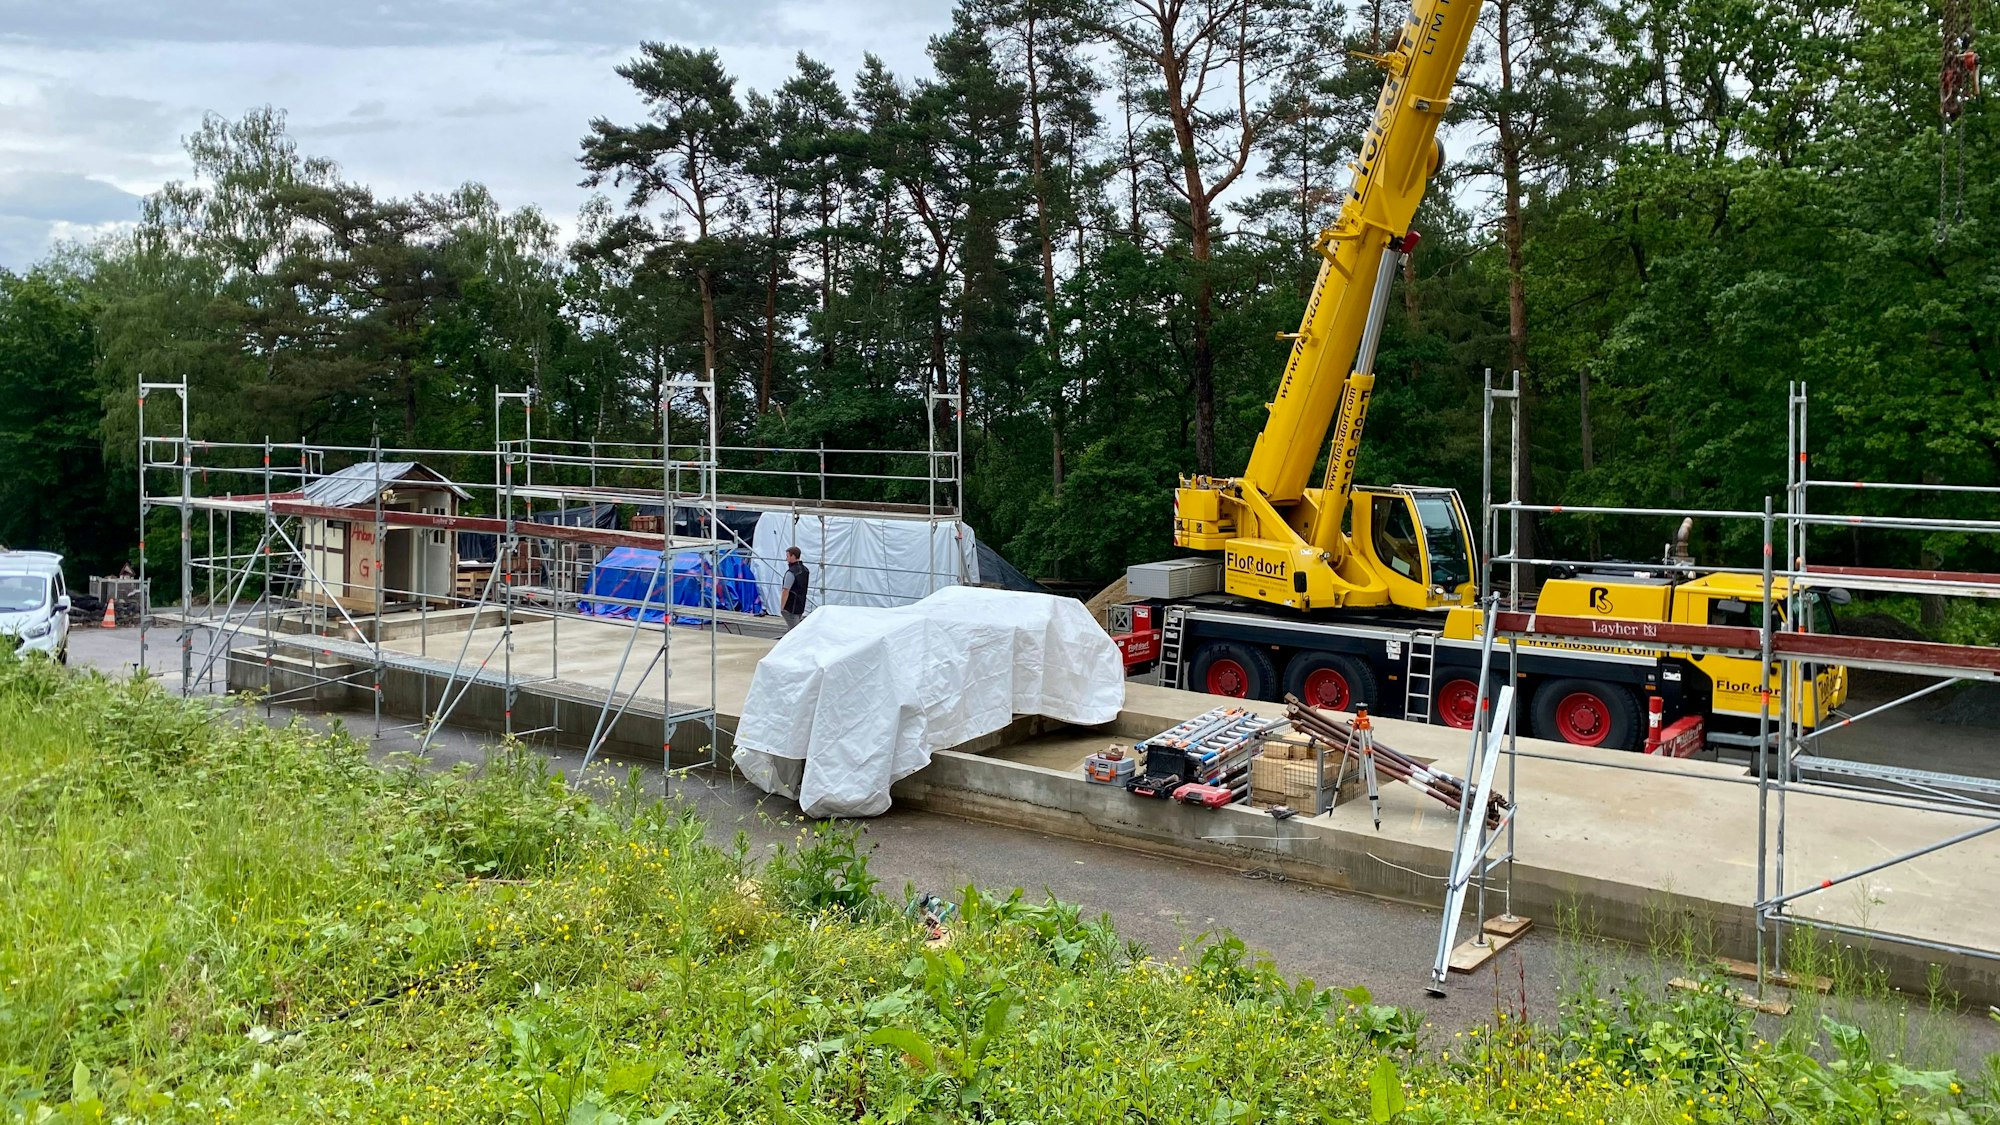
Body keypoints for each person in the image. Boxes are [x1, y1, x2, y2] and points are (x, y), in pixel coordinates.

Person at [780, 546, 810, 633]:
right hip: (800, 605)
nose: (786, 558)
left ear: (793, 556)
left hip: (790, 606)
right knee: (792, 629)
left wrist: (782, 607)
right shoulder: (805, 570)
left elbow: (786, 590)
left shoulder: (791, 572)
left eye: (788, 556)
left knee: (794, 631)